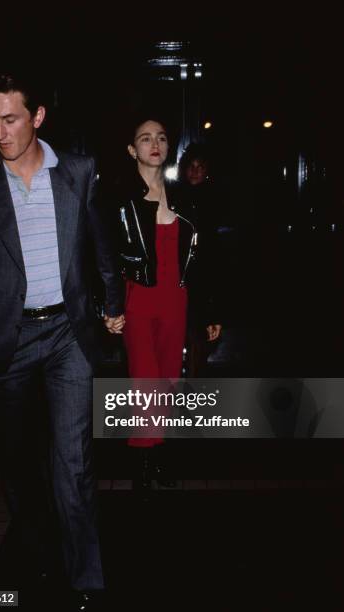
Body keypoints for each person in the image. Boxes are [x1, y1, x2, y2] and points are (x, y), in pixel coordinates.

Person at [0, 72, 124, 611]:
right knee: (19, 466)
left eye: (12, 118)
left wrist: (112, 302)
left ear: (38, 116)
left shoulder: (77, 171)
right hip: (8, 341)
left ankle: (86, 579)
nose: (0, 131)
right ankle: (37, 558)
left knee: (73, 462)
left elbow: (100, 243)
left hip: (69, 334)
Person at [113, 117, 221, 491]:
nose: (154, 143)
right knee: (145, 380)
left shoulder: (185, 198)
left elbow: (202, 261)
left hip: (176, 299)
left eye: (160, 137)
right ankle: (145, 462)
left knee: (169, 380)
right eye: (144, 138)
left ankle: (162, 456)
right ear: (132, 150)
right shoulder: (120, 200)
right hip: (138, 299)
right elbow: (103, 259)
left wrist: (209, 311)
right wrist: (108, 308)